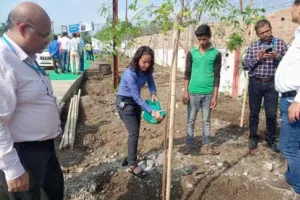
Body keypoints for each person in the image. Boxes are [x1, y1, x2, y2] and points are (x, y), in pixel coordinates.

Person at [0, 2, 64, 200]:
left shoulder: (27, 56)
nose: (48, 41)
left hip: (44, 148)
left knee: (53, 192)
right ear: (23, 29)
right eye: (44, 35)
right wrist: (12, 168)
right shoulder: (3, 61)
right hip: (22, 154)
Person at [264, 1, 300, 199]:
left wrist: (298, 100)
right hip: (288, 98)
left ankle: (298, 187)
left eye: (294, 5)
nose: (291, 9)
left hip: (294, 100)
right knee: (295, 144)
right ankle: (290, 179)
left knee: (288, 145)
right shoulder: (298, 35)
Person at [116, 46, 163, 178]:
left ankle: (131, 156)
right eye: (144, 62)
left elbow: (151, 82)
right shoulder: (130, 74)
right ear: (137, 60)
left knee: (135, 131)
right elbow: (137, 97)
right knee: (134, 132)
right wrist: (153, 112)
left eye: (149, 62)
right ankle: (132, 165)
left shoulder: (146, 71)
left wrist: (153, 93)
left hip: (135, 103)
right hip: (125, 103)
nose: (146, 65)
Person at [242, 19, 288, 153]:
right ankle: (253, 137)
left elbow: (290, 63)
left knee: (271, 113)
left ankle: (271, 139)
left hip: (272, 84)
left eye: (267, 31)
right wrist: (258, 58)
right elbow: (245, 65)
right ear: (258, 34)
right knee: (254, 112)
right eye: (262, 33)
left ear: (271, 29)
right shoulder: (254, 46)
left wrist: (278, 56)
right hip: (255, 83)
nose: (265, 34)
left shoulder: (280, 44)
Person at [183, 24, 221, 155]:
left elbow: (217, 75)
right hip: (193, 93)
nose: (201, 42)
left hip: (208, 93)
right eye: (199, 39)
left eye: (204, 39)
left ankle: (206, 144)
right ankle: (188, 144)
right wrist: (185, 92)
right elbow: (187, 73)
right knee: (191, 119)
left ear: (209, 37)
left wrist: (215, 96)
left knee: (206, 120)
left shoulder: (216, 54)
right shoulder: (192, 53)